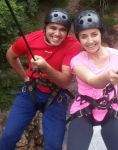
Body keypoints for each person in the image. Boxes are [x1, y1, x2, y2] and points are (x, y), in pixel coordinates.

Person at [0, 8, 81, 150]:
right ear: (45, 27)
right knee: (8, 136)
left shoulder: (73, 46)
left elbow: (65, 82)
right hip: (31, 90)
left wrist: (45, 67)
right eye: (53, 28)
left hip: (56, 95)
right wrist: (25, 77)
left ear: (68, 31)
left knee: (54, 146)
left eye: (63, 29)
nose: (57, 33)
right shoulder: (29, 40)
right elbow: (11, 55)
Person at [67, 10, 118, 150]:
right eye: (84, 36)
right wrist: (107, 77)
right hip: (84, 109)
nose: (90, 41)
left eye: (94, 34)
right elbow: (92, 80)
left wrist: (116, 93)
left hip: (110, 108)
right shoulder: (77, 61)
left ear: (101, 33)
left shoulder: (117, 55)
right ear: (79, 39)